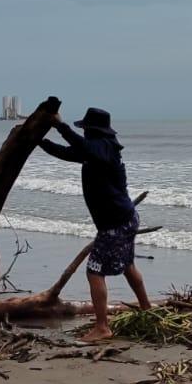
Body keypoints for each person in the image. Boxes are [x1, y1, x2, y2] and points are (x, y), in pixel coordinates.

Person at [38, 107, 150, 342]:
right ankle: (147, 310)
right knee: (128, 265)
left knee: (94, 271)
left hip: (115, 224)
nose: (84, 133)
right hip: (125, 219)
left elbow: (82, 146)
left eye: (86, 129)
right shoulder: (98, 151)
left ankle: (102, 327)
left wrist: (60, 126)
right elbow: (68, 152)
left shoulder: (103, 148)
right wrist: (39, 141)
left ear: (91, 130)